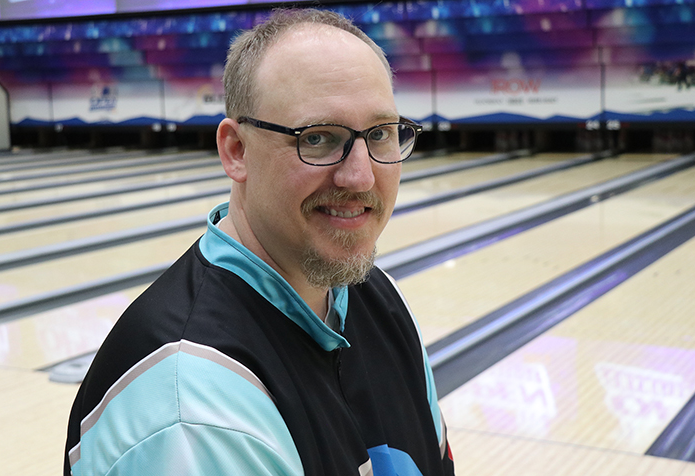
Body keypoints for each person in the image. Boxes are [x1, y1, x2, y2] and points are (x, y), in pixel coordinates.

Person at [65, 8, 455, 476]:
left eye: (380, 134)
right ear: (236, 151)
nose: (359, 176)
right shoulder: (193, 405)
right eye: (318, 138)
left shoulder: (380, 298)